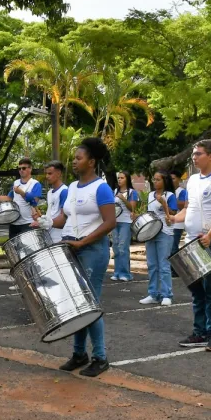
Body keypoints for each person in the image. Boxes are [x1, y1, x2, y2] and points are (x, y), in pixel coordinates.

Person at [50, 137, 117, 376]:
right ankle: (79, 353)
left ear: (92, 161)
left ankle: (100, 357)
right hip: (72, 249)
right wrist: (45, 222)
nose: (75, 162)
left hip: (92, 250)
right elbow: (64, 217)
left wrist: (83, 242)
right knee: (76, 304)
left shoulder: (101, 188)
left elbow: (110, 222)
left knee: (89, 304)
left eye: (79, 158)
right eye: (74, 158)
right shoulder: (73, 188)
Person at [167, 140, 211, 352]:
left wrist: (210, 236)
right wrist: (175, 218)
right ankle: (200, 332)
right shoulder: (193, 180)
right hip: (191, 243)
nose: (194, 157)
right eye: (193, 154)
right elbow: (189, 208)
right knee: (196, 292)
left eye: (199, 154)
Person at [137, 171, 178, 306]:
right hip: (151, 232)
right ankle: (153, 294)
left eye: (158, 180)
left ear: (164, 181)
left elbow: (172, 214)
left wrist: (164, 204)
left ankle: (167, 295)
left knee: (164, 265)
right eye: (154, 179)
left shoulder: (170, 195)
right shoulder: (150, 195)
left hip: (165, 232)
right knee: (152, 265)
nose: (155, 182)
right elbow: (150, 213)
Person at [0, 158, 42, 239]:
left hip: (28, 223)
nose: (21, 170)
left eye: (24, 168)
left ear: (30, 169)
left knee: (28, 250)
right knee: (14, 249)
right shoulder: (16, 183)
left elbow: (34, 201)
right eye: (19, 168)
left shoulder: (35, 184)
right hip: (14, 222)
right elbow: (8, 198)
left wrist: (21, 192)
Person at [110, 170, 138, 282]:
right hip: (115, 222)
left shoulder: (132, 192)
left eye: (122, 178)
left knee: (123, 248)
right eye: (118, 178)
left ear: (127, 179)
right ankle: (117, 272)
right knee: (115, 247)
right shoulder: (114, 191)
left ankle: (125, 273)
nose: (119, 180)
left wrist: (123, 198)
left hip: (126, 222)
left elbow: (132, 208)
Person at [33, 161, 69, 243]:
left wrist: (48, 223)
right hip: (49, 236)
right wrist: (40, 219)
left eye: (50, 173)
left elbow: (64, 218)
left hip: (60, 238)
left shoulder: (64, 191)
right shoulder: (50, 192)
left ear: (59, 174)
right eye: (46, 174)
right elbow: (51, 214)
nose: (47, 176)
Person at [170, 172, 188, 264]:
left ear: (179, 180)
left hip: (178, 224)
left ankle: (176, 269)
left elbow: (182, 205)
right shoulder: (167, 192)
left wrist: (169, 201)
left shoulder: (182, 191)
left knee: (173, 247)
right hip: (168, 224)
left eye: (173, 178)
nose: (171, 181)